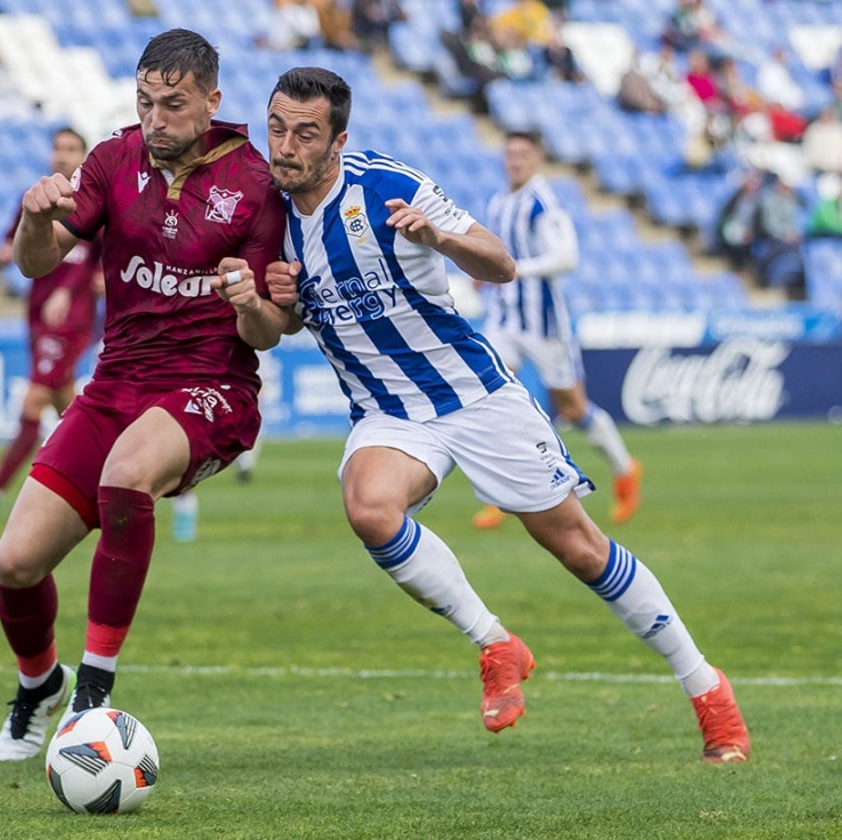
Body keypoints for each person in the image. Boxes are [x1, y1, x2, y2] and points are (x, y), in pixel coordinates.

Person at [262, 66, 749, 763]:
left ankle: (707, 689)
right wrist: (269, 303)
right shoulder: (265, 212)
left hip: (474, 395)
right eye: (277, 127)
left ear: (339, 140)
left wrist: (441, 241)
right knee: (369, 508)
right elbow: (274, 326)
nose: (286, 145)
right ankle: (496, 643)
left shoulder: (387, 186)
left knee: (578, 549)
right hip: (387, 410)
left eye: (305, 133)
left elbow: (501, 263)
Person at [0, 28, 287, 761]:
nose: (156, 119)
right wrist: (34, 216)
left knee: (128, 473)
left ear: (212, 101)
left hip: (211, 389)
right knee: (14, 566)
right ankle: (40, 685)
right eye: (146, 102)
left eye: (174, 105)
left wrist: (248, 300)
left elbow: (271, 331)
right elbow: (36, 263)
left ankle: (95, 692)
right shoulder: (113, 158)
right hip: (114, 387)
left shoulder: (253, 182)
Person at [472, 131, 641, 530]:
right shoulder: (499, 202)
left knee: (572, 407)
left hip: (544, 323)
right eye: (510, 154)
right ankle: (502, 494)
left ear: (538, 160)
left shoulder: (542, 204)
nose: (515, 161)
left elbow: (566, 258)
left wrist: (515, 270)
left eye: (523, 155)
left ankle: (625, 469)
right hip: (504, 319)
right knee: (489, 397)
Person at [0, 127, 102, 525]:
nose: (63, 156)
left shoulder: (94, 201)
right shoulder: (35, 198)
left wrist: (72, 291)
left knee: (33, 400)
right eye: (58, 148)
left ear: (83, 157)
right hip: (38, 314)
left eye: (71, 149)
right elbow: (13, 240)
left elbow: (96, 260)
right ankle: (109, 481)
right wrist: (3, 251)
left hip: (70, 318)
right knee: (66, 406)